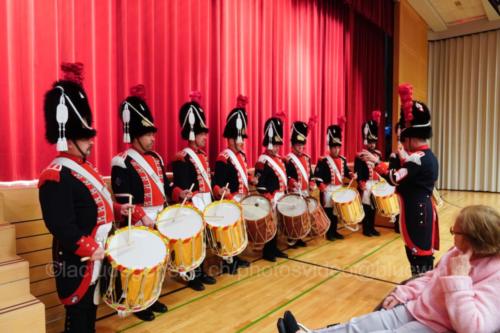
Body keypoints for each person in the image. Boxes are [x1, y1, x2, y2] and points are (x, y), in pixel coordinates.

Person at [276, 205, 500, 333]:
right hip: (418, 308)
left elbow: (474, 328)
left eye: (455, 231)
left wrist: (459, 281)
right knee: (357, 327)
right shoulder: (457, 252)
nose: (451, 234)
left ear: (474, 238)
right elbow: (431, 278)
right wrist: (405, 292)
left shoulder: (496, 275)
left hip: (438, 327)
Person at [38, 62, 133, 332]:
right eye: (85, 136)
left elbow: (95, 205)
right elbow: (61, 226)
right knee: (78, 317)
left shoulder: (85, 169)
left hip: (97, 256)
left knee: (90, 312)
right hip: (77, 261)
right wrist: (91, 249)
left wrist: (117, 209)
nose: (92, 141)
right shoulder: (55, 176)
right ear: (67, 139)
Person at [365, 84, 439, 275]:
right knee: (419, 253)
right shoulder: (427, 157)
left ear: (411, 137)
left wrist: (376, 163)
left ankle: (420, 290)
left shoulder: (417, 159)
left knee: (419, 256)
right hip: (420, 208)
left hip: (417, 213)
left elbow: (394, 178)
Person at [110, 84, 169, 321]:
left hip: (158, 216)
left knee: (155, 262)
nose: (153, 138)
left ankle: (151, 297)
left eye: (153, 134)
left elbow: (163, 188)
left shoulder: (156, 159)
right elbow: (123, 196)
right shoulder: (121, 161)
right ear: (135, 135)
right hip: (138, 220)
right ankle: (137, 302)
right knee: (139, 265)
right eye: (148, 134)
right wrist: (142, 217)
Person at [171, 91, 217, 291]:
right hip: (193, 204)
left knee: (203, 241)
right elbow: (181, 185)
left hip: (205, 202)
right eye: (201, 134)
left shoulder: (202, 156)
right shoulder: (183, 157)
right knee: (193, 241)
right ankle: (192, 276)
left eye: (205, 133)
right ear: (192, 134)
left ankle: (202, 271)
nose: (205, 137)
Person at [212, 94, 252, 274]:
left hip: (241, 198)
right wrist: (226, 194)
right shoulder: (223, 158)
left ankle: (236, 257)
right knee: (229, 232)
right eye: (239, 137)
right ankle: (228, 263)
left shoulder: (241, 156)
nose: (242, 141)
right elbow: (217, 185)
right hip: (230, 199)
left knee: (238, 231)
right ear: (230, 138)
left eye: (242, 137)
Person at [255, 116, 289, 262]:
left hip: (279, 197)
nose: (277, 148)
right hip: (269, 198)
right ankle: (267, 252)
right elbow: (259, 183)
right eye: (274, 145)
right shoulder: (262, 161)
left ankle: (275, 249)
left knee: (276, 225)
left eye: (278, 145)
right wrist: (268, 196)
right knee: (270, 226)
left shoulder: (279, 160)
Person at [313, 123, 354, 241]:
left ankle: (335, 231)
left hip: (339, 189)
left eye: (338, 147)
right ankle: (329, 233)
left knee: (336, 212)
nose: (336, 149)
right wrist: (321, 186)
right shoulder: (323, 161)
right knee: (329, 212)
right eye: (334, 147)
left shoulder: (342, 160)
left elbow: (346, 171)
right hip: (328, 190)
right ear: (329, 148)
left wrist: (351, 174)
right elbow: (317, 177)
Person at [285, 120, 317, 247]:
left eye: (302, 145)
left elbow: (311, 175)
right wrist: (293, 182)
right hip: (293, 192)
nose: (300, 148)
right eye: (298, 145)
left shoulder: (307, 158)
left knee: (303, 216)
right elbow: (286, 176)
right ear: (293, 145)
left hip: (305, 191)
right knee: (294, 217)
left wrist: (312, 182)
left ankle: (299, 238)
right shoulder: (288, 159)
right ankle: (291, 238)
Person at [354, 111, 383, 237]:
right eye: (370, 142)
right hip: (366, 184)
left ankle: (372, 227)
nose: (372, 144)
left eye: (374, 142)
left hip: (375, 184)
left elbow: (380, 168)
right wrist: (361, 182)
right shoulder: (360, 156)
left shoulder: (378, 154)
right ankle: (366, 229)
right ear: (366, 141)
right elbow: (358, 171)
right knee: (366, 207)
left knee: (374, 207)